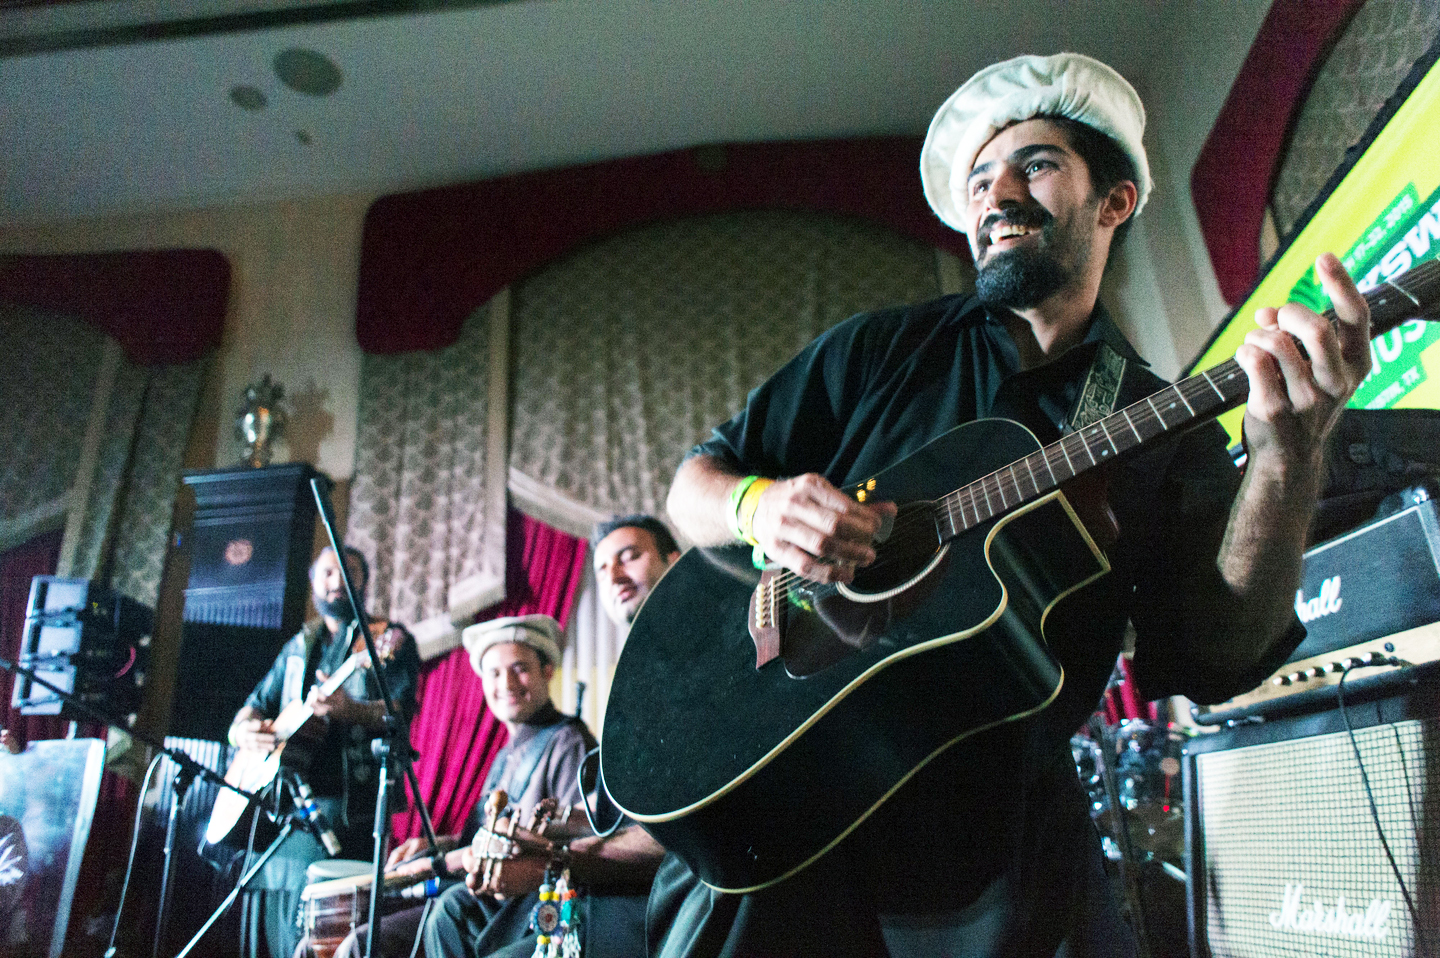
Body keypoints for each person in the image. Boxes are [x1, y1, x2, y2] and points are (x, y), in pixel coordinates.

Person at [648, 52, 1371, 957]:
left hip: (996, 857)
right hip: (783, 814)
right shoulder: (882, 350)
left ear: (1114, 202)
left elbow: (1219, 655)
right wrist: (759, 509)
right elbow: (693, 487)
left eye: (1035, 164)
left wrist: (1289, 457)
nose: (997, 194)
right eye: (980, 181)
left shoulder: (1156, 420)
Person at [423, 515, 679, 958]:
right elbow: (606, 816)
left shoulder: (569, 740)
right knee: (447, 912)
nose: (614, 576)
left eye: (630, 556)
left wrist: (550, 853)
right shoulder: (639, 676)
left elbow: (663, 832)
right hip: (597, 880)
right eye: (602, 568)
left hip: (645, 892)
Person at [335, 613, 593, 958]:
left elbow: (570, 845)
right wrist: (438, 844)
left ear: (547, 671)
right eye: (494, 673)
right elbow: (481, 834)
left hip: (518, 912)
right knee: (358, 940)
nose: (506, 683)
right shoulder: (507, 752)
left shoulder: (567, 741)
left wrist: (444, 862)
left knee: (371, 944)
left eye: (519, 668)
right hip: (480, 898)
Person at [224, 545, 421, 958]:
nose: (337, 581)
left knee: (327, 931)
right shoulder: (299, 645)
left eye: (347, 572)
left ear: (363, 582)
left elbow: (402, 711)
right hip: (284, 805)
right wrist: (242, 731)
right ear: (314, 583)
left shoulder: (387, 638)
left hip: (349, 808)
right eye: (327, 573)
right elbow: (254, 705)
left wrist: (353, 710)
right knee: (273, 925)